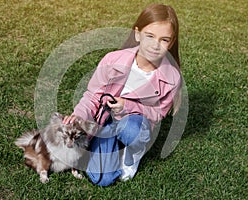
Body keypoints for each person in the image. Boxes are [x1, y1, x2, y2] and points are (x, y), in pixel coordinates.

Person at [62, 3, 182, 186]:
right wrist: (79, 116)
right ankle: (110, 147)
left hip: (135, 122)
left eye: (164, 39)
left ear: (171, 42)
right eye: (149, 36)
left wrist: (127, 106)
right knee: (102, 179)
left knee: (131, 130)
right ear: (137, 34)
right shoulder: (112, 59)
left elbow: (158, 114)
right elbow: (93, 96)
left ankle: (133, 151)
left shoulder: (172, 77)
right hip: (104, 120)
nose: (155, 45)